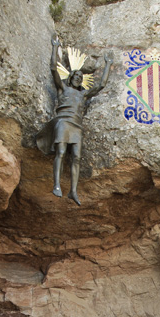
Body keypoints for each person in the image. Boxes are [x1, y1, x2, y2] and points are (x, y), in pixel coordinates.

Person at [36, 38, 113, 205]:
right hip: (63, 121)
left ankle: (73, 191)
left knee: (77, 157)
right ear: (70, 77)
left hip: (77, 126)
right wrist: (55, 48)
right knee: (61, 152)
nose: (78, 77)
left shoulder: (83, 95)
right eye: (75, 75)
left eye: (80, 76)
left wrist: (108, 64)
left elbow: (101, 85)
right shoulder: (63, 88)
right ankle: (56, 184)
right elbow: (53, 69)